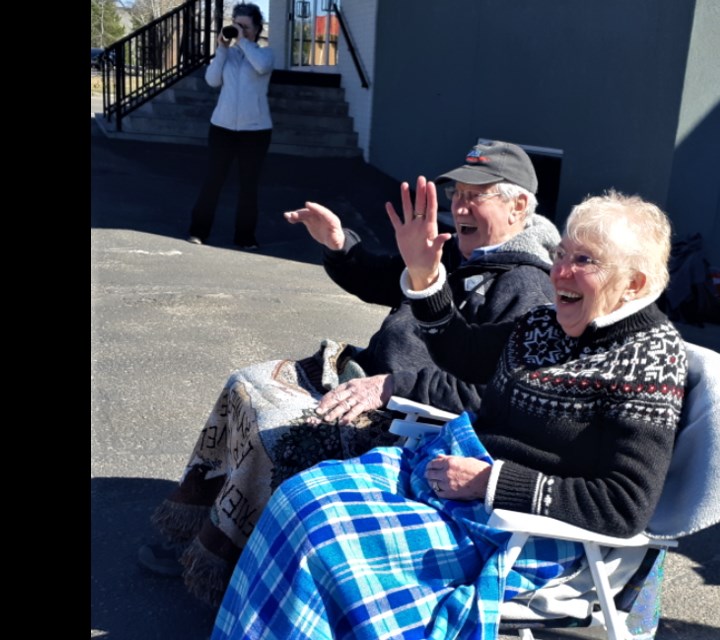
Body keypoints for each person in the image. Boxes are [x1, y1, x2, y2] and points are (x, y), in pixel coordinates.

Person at [211, 187, 688, 639]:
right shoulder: (551, 322)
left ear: (635, 284)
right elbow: (460, 353)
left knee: (326, 539)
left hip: (525, 530)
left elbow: (625, 505)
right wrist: (424, 274)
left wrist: (490, 482)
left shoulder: (648, 359)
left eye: (583, 261)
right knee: (299, 497)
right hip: (460, 484)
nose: (559, 273)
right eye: (560, 254)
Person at [140, 140, 561, 608]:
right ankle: (207, 518)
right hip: (367, 378)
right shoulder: (467, 251)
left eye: (474, 195)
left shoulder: (526, 285)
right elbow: (382, 277)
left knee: (281, 434)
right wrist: (339, 244)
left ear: (519, 205)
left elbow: (489, 393)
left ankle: (233, 559)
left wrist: (390, 387)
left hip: (408, 416)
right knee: (248, 383)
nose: (457, 205)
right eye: (457, 193)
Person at [187, 2, 273, 250]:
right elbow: (212, 80)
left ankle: (245, 237)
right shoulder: (229, 55)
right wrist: (222, 49)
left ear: (256, 29)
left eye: (245, 26)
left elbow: (261, 67)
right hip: (222, 128)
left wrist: (243, 41)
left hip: (255, 131)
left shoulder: (265, 53)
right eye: (236, 24)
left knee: (249, 186)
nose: (239, 30)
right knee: (212, 181)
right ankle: (198, 231)